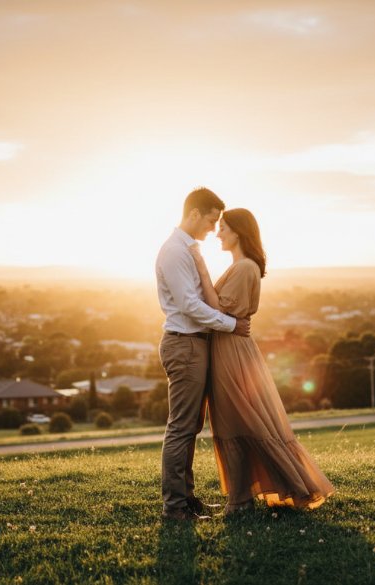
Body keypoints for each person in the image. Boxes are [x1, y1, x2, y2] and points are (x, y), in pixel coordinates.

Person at [189, 208, 334, 515]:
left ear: (239, 233)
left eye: (224, 228)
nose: (218, 233)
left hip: (232, 350)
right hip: (229, 346)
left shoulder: (244, 268)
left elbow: (222, 311)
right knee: (233, 420)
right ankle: (240, 498)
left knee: (241, 419)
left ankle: (246, 498)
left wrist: (201, 272)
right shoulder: (242, 266)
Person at [155, 187, 251, 521]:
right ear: (194, 213)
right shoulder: (174, 252)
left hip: (196, 343)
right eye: (211, 221)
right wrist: (230, 324)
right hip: (184, 343)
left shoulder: (188, 249)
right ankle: (174, 507)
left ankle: (186, 500)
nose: (213, 230)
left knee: (190, 426)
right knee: (182, 427)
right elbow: (190, 305)